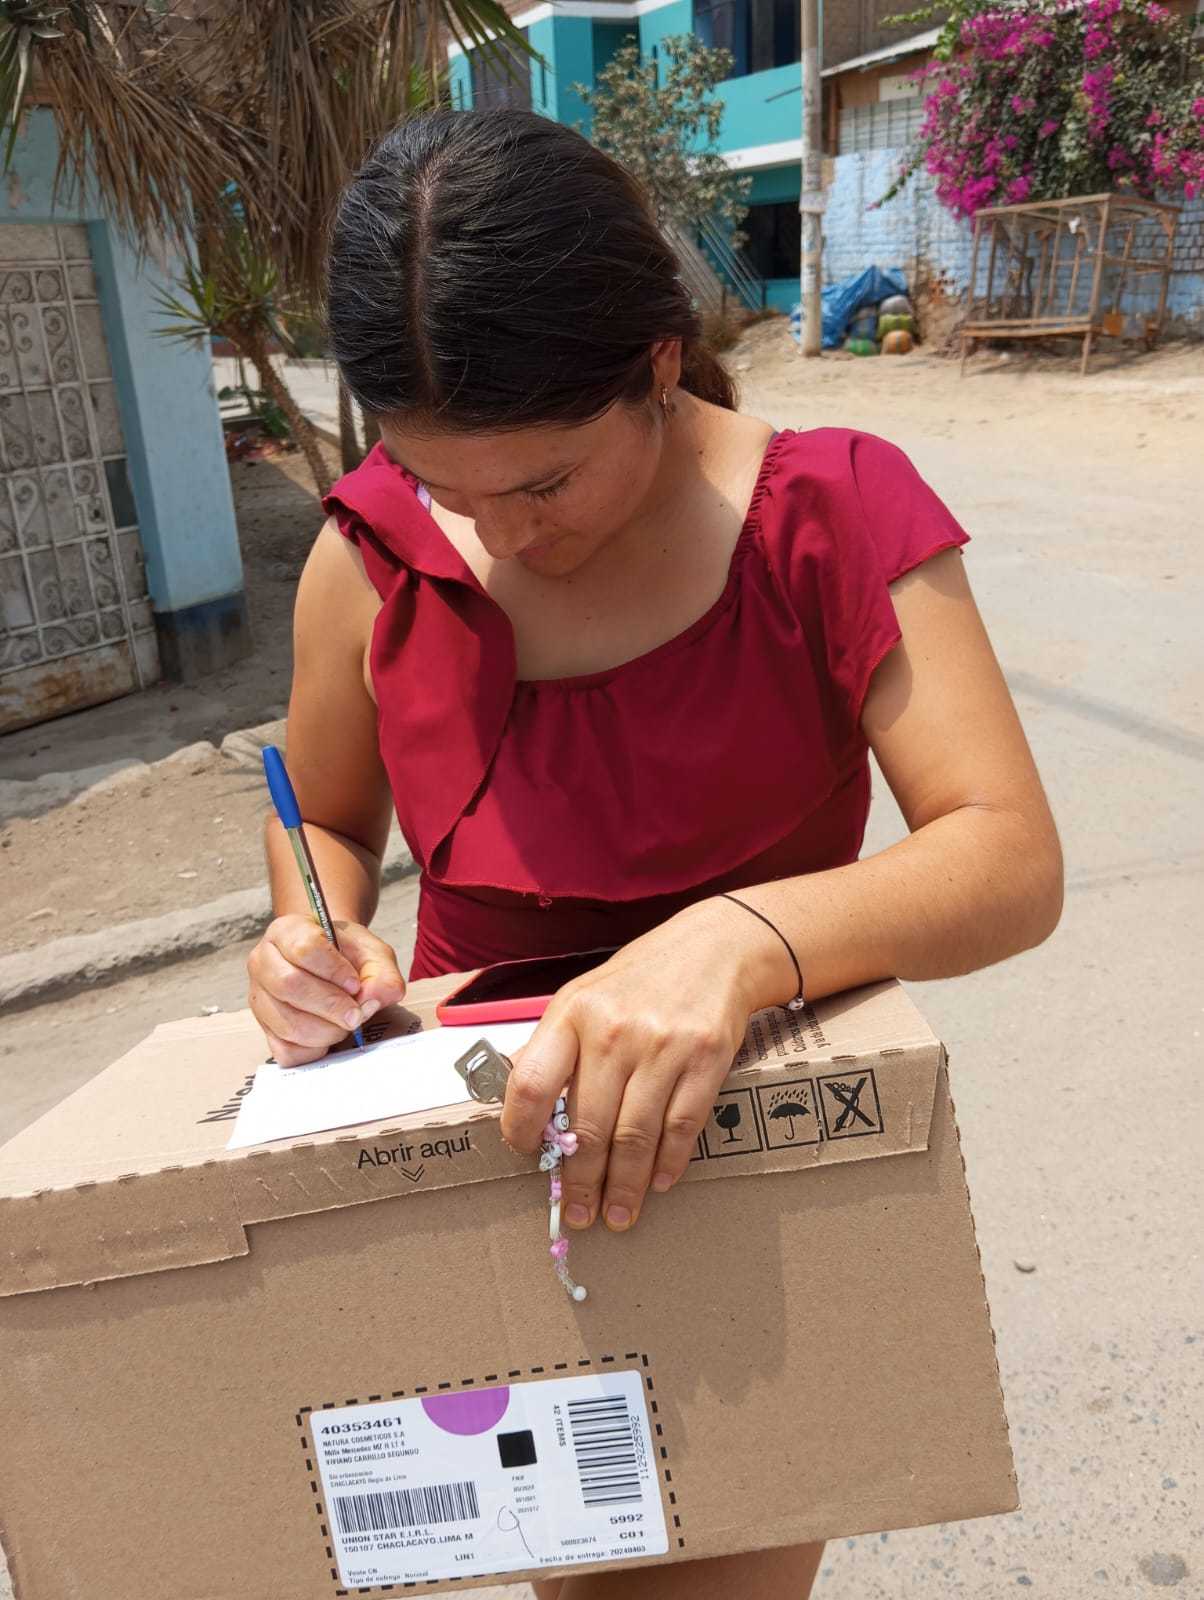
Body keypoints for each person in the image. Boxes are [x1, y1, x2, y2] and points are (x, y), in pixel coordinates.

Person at [246, 108, 1062, 1600]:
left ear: (661, 365)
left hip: (744, 1164)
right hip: (486, 1158)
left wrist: (734, 943)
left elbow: (1007, 855)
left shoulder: (832, 513)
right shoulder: (369, 554)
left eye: (545, 484)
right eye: (448, 487)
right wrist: (311, 929)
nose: (500, 535)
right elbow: (330, 824)